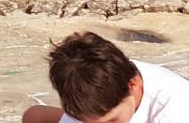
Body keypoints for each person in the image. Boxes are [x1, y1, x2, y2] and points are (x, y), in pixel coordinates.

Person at [20, 31, 189, 123]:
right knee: (34, 116)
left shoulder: (174, 110)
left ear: (134, 85)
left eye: (112, 121)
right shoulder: (89, 99)